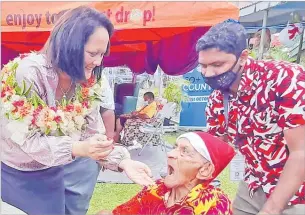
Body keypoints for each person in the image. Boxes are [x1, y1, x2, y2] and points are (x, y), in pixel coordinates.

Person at [0, 6, 154, 215]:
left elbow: (93, 135)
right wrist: (79, 148)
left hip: (53, 171)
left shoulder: (87, 81)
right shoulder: (28, 73)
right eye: (92, 53)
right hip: (19, 174)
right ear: (68, 45)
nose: (98, 62)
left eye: (102, 54)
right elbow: (28, 141)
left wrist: (123, 161)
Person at [196, 21, 305, 215]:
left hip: (296, 191)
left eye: (217, 64)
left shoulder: (285, 79)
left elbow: (301, 152)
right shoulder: (217, 99)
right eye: (203, 66)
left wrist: (271, 209)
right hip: (253, 184)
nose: (209, 73)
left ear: (243, 57)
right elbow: (217, 148)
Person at [98, 132, 236, 215]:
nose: (170, 154)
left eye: (185, 151)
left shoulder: (215, 203)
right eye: (175, 147)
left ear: (204, 170)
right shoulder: (157, 190)